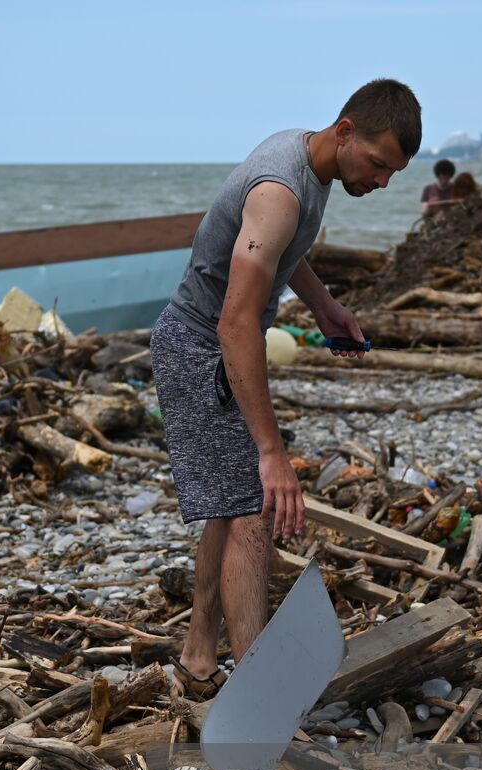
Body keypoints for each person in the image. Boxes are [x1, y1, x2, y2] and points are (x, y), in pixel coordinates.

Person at [151, 79, 421, 697]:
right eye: (378, 165)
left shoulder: (307, 163)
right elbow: (236, 321)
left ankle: (197, 660)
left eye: (394, 174)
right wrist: (273, 455)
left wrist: (323, 304)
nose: (381, 182)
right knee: (253, 512)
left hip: (205, 344)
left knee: (227, 512)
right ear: (345, 131)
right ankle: (258, 694)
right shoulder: (280, 190)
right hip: (200, 348)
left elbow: (281, 252)